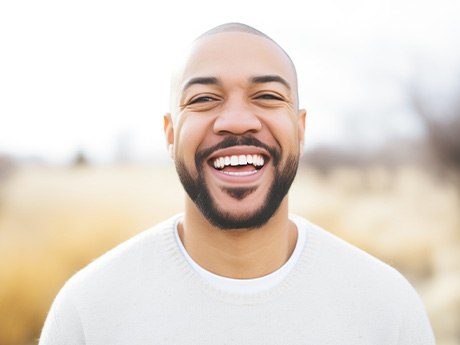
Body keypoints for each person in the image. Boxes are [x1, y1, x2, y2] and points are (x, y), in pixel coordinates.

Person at [39, 23, 435, 344]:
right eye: (203, 99)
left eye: (265, 95)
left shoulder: (387, 306)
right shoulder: (89, 309)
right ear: (170, 133)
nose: (237, 120)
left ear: (300, 129)